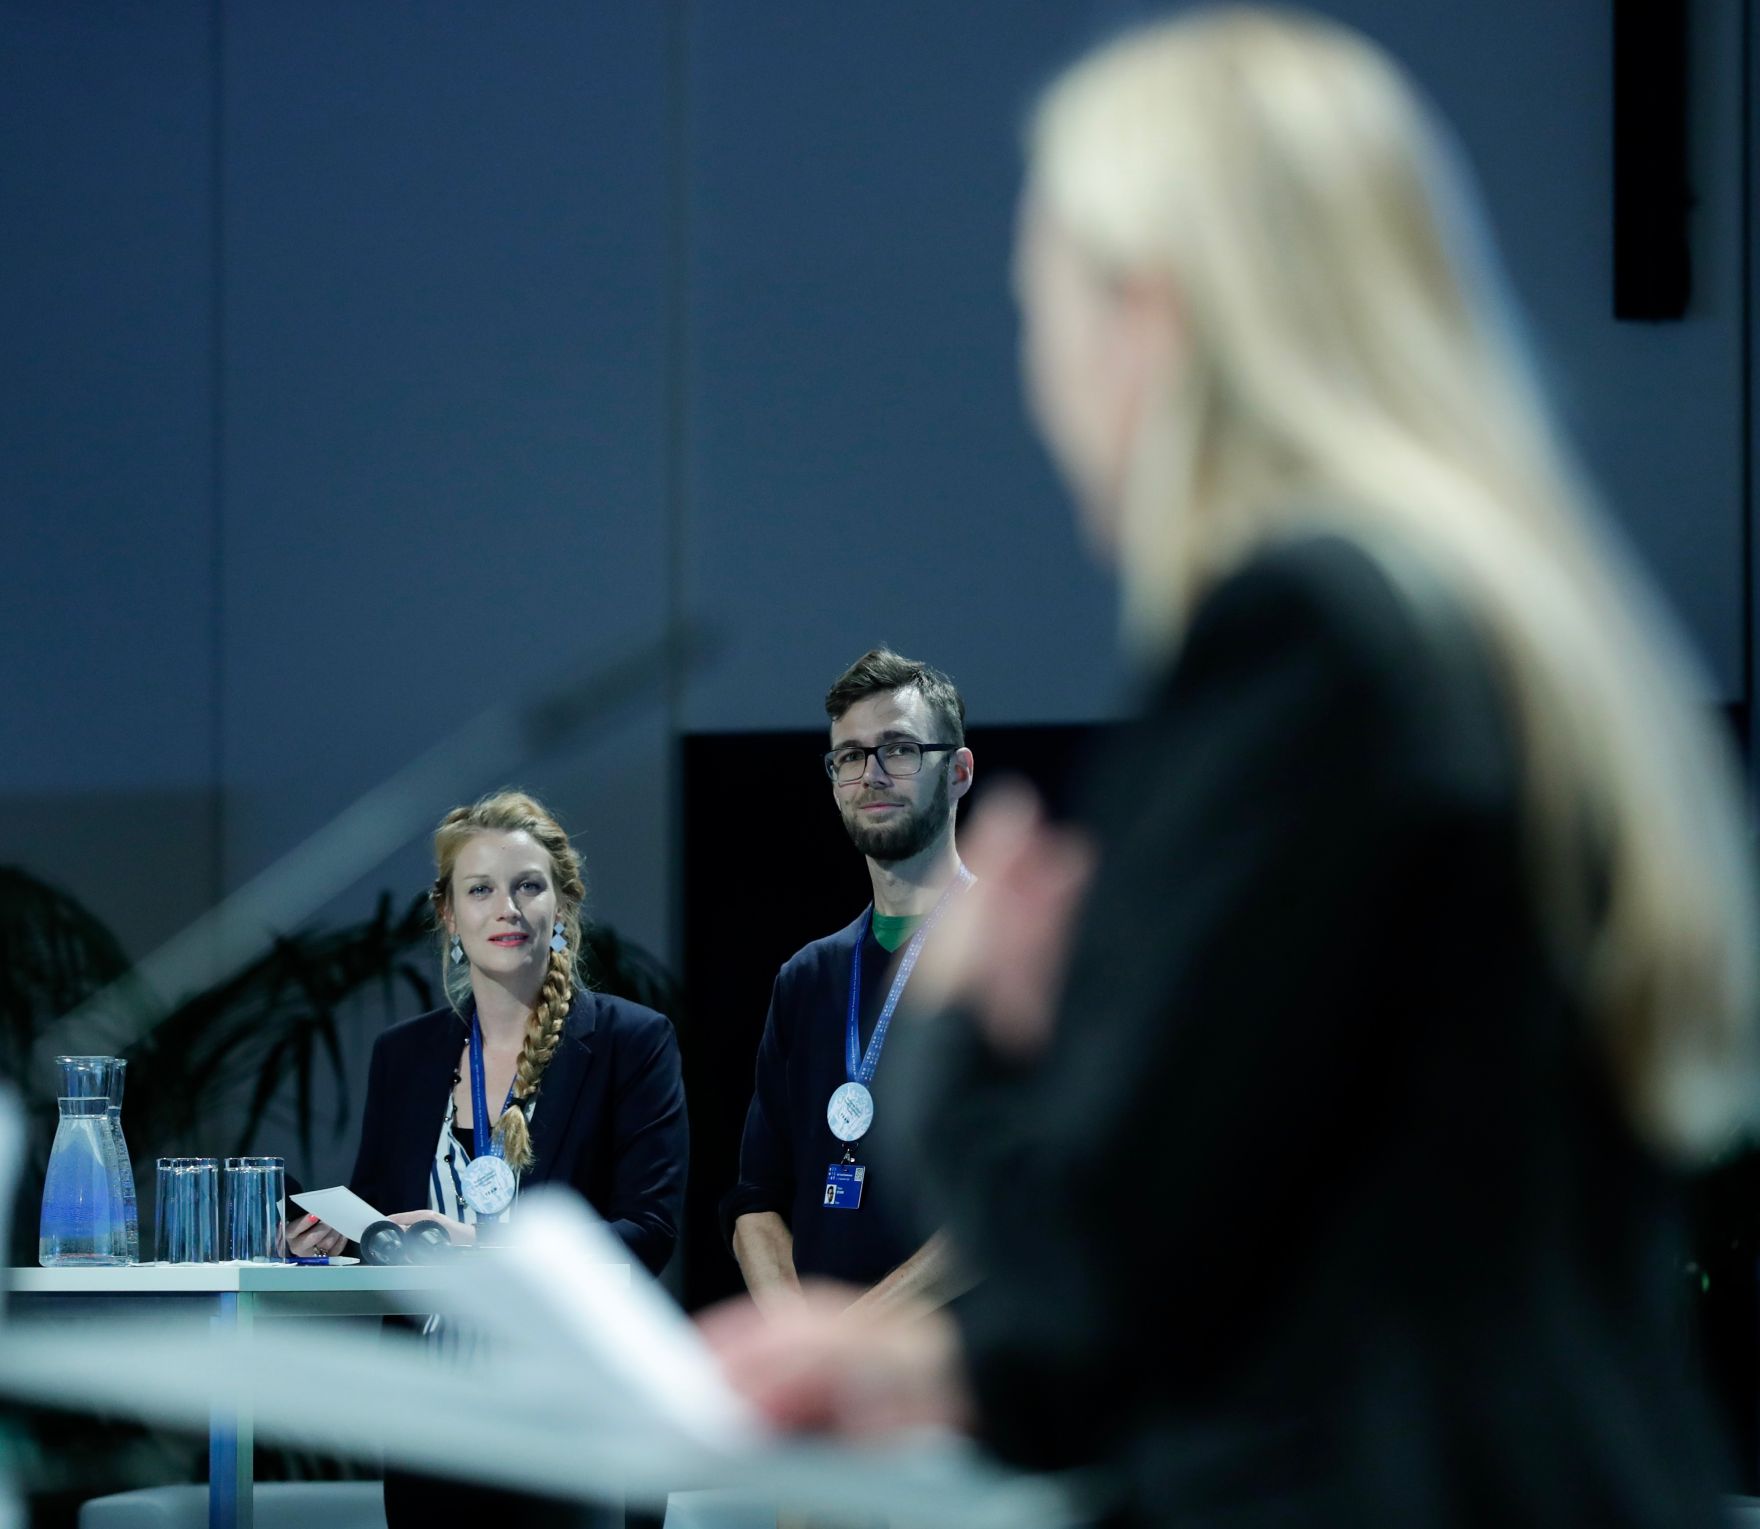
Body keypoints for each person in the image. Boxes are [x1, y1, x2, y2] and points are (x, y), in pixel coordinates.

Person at [701, 9, 1760, 1526]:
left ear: (1153, 311)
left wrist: (979, 1038)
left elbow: (1110, 1275)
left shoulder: (1304, 646)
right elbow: (1293, 1246)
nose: (1042, 380)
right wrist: (939, 1373)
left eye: (1038, 313)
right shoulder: (1495, 631)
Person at [294, 788, 687, 1527]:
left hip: (580, 1418)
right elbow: (383, 1216)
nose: (505, 907)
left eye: (527, 885)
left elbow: (649, 1229)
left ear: (562, 905)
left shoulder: (632, 1043)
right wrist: (336, 1232)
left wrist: (482, 1244)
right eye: (480, 889)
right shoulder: (404, 1057)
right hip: (432, 1424)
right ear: (449, 914)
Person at [719, 649, 976, 1314]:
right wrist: (798, 1336)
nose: (872, 774)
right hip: (828, 1396)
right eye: (851, 756)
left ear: (959, 771)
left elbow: (1028, 1200)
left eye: (898, 749)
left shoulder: (1010, 956)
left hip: (968, 1379)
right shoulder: (806, 978)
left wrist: (853, 1339)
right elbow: (756, 1199)